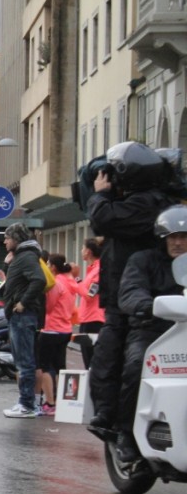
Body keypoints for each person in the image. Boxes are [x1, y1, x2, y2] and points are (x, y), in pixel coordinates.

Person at [86, 142, 179, 438]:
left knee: (124, 361)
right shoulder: (145, 203)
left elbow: (102, 219)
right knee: (119, 360)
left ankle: (118, 422)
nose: (178, 242)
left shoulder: (147, 204)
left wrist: (100, 194)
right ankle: (117, 425)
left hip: (149, 308)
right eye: (174, 236)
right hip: (137, 302)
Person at [112, 205, 187, 472]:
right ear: (163, 238)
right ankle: (125, 434)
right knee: (137, 366)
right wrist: (147, 304)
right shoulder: (143, 260)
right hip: (153, 331)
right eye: (172, 237)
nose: (178, 242)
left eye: (184, 237)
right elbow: (130, 291)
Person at [0, 223, 47, 418]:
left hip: (23, 316)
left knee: (24, 362)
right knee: (23, 361)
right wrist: (7, 265)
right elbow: (13, 283)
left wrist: (22, 303)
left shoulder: (26, 257)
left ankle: (27, 405)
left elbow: (39, 280)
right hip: (19, 316)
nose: (4, 241)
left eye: (7, 238)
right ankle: (27, 403)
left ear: (16, 239)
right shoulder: (21, 257)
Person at [35, 254, 76, 416]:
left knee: (45, 366)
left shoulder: (55, 283)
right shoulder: (69, 282)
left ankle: (50, 402)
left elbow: (49, 307)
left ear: (52, 267)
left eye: (48, 264)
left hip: (51, 329)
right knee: (60, 366)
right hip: (66, 328)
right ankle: (61, 402)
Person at [72, 238, 103, 368]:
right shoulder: (92, 270)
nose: (81, 251)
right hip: (87, 318)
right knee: (87, 358)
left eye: (83, 248)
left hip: (94, 320)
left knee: (91, 359)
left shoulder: (98, 271)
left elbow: (90, 295)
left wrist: (76, 279)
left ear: (88, 251)